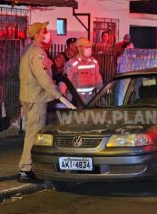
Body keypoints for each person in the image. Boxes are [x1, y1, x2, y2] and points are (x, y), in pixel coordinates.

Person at [18, 21, 76, 183]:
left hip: (29, 95)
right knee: (33, 134)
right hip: (36, 98)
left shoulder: (28, 49)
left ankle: (28, 167)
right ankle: (25, 169)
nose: (48, 33)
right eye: (44, 31)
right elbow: (43, 78)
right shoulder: (37, 52)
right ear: (37, 35)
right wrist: (60, 96)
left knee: (33, 133)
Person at [61, 37, 103, 104]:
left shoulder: (94, 62)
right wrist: (64, 100)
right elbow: (64, 82)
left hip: (91, 99)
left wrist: (101, 94)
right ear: (79, 48)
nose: (89, 49)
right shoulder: (72, 63)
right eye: (86, 47)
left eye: (90, 47)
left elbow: (98, 79)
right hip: (76, 100)